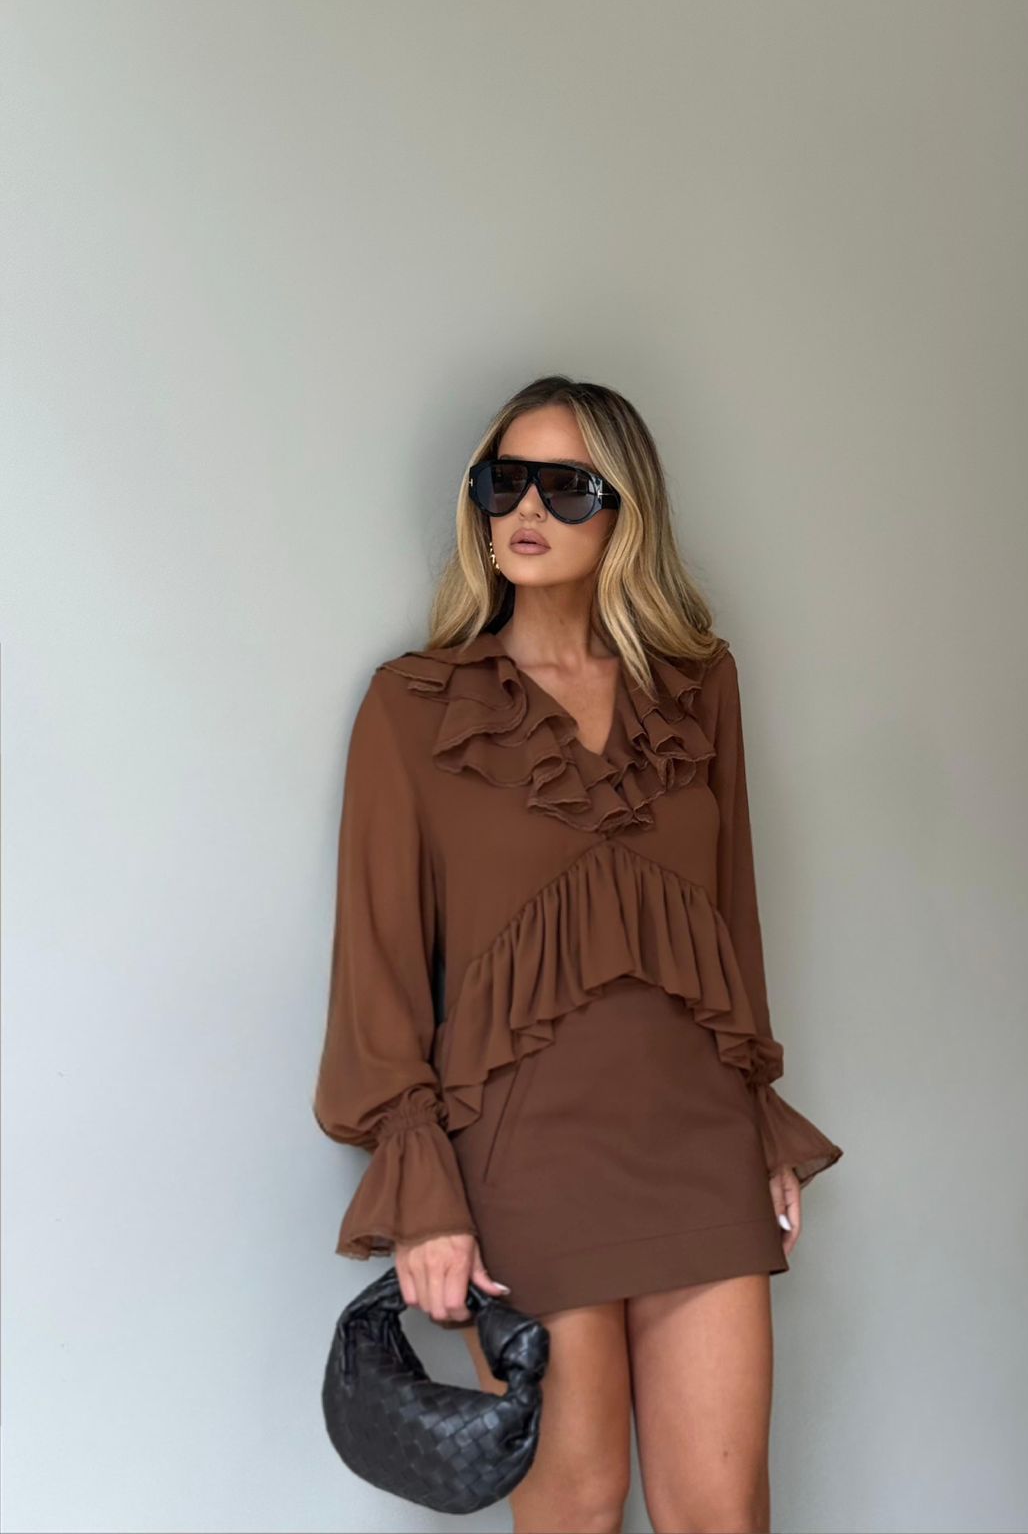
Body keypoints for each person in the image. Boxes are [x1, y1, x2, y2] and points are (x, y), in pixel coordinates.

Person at [313, 374, 843, 1533]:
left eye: (568, 486)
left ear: (626, 512)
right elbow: (379, 973)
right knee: (577, 1508)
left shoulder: (698, 690)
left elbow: (731, 919)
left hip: (697, 1144)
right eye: (505, 480)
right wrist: (423, 1196)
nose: (527, 509)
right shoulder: (414, 709)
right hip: (525, 1162)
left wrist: (758, 1111)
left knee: (723, 1515)